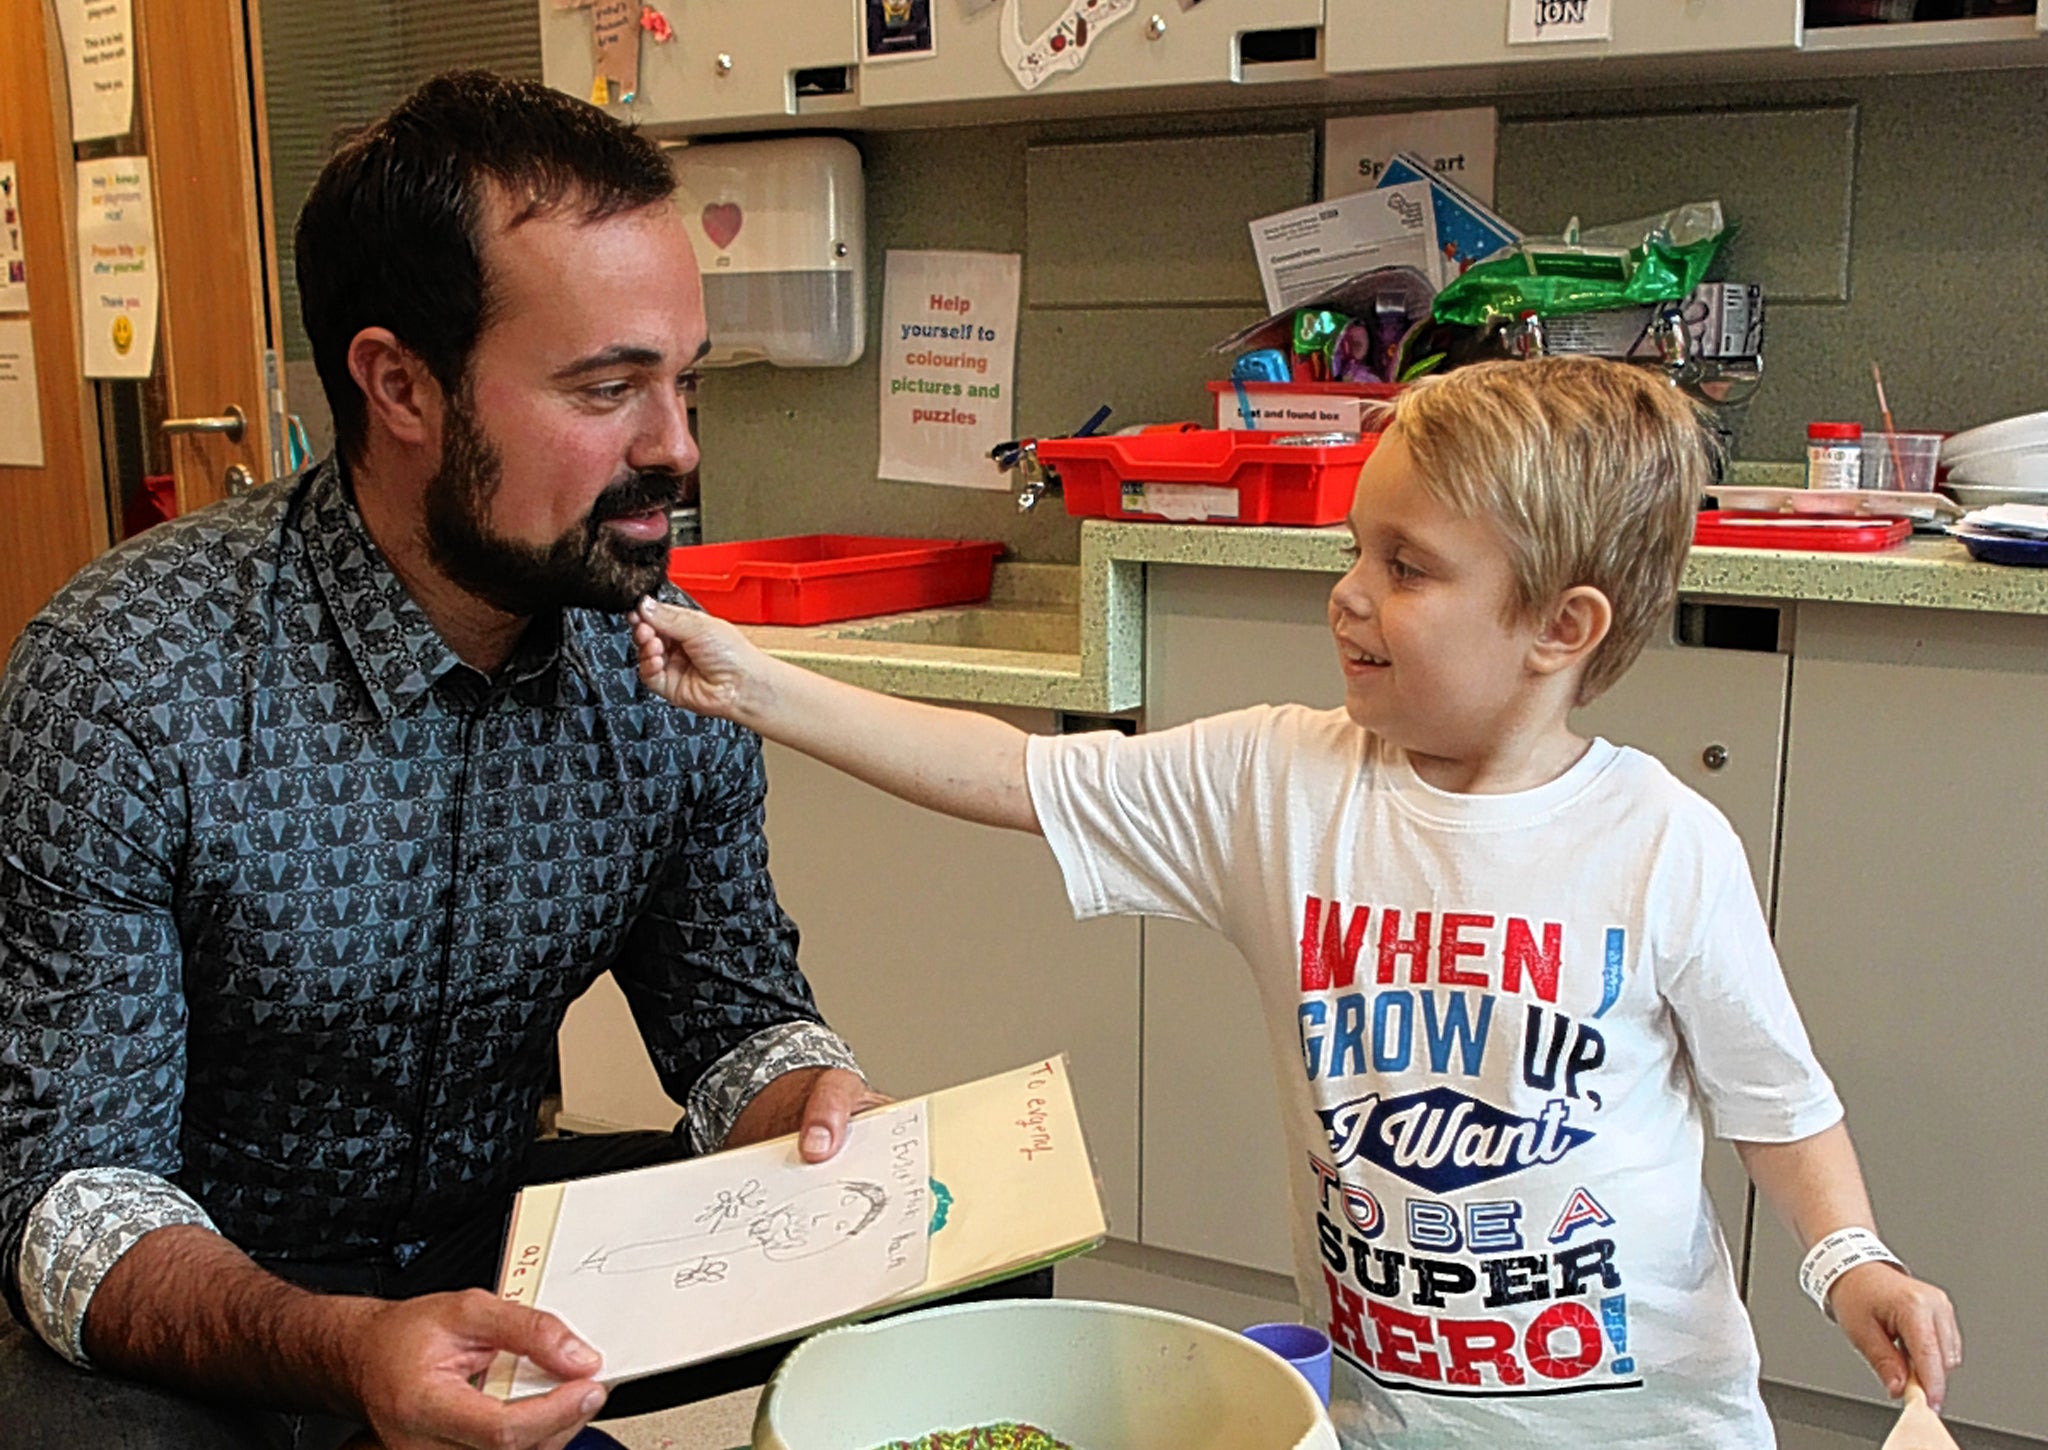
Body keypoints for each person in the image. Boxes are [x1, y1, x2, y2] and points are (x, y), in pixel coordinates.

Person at [634, 357, 1964, 1448]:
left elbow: (1775, 1102)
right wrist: (760, 687)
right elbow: (1013, 772)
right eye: (1354, 547)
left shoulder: (1666, 847)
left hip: (1645, 1427)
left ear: (1562, 627)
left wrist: (1848, 1257)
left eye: (1410, 566)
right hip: (1379, 1419)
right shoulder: (1279, 780)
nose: (1349, 593)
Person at [0, 71, 891, 1449]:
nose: (679, 449)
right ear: (400, 384)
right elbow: (75, 1202)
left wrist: (813, 1104)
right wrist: (354, 1346)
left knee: (950, 1258)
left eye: (687, 381)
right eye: (610, 390)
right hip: (185, 1329)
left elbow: (732, 1018)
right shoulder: (129, 677)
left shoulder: (661, 668)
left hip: (476, 1275)